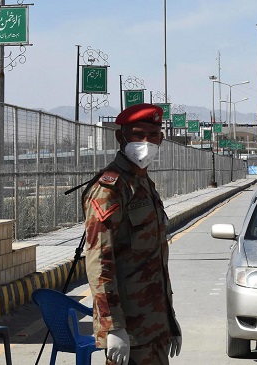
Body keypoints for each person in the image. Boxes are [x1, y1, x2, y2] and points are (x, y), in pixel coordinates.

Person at [82, 103, 182, 365]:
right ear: (121, 136)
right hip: (128, 329)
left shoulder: (144, 183)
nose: (146, 143)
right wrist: (112, 327)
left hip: (154, 326)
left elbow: (154, 261)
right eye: (138, 135)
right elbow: (99, 261)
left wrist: (169, 321)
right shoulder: (110, 189)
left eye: (153, 136)